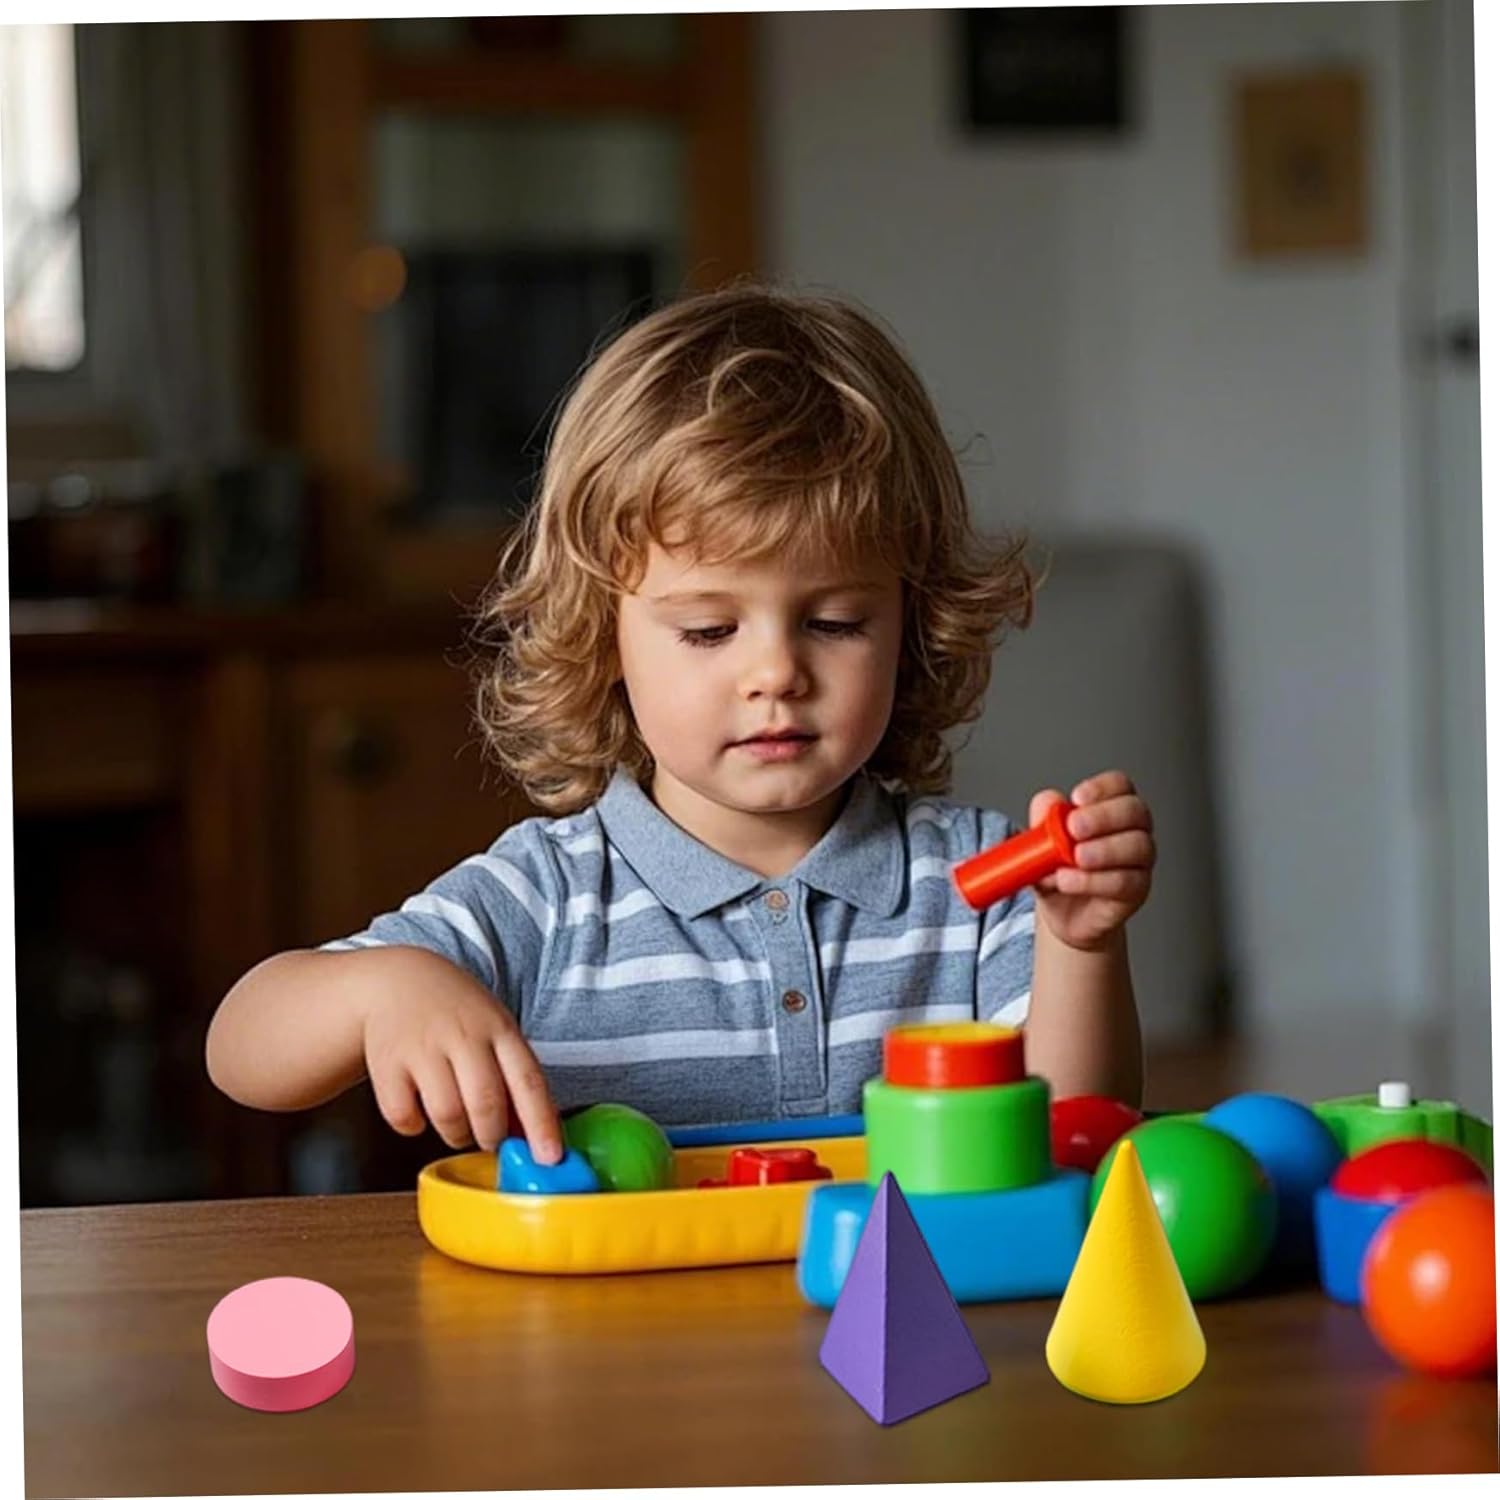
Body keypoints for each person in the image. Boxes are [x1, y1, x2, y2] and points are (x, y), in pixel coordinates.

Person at [205, 282, 1154, 1169]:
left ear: (911, 624)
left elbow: (1073, 1140)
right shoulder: (548, 898)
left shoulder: (983, 882)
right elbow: (240, 1048)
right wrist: (385, 987)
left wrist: (1080, 944)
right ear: (604, 637)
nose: (776, 673)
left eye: (834, 623)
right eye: (708, 630)